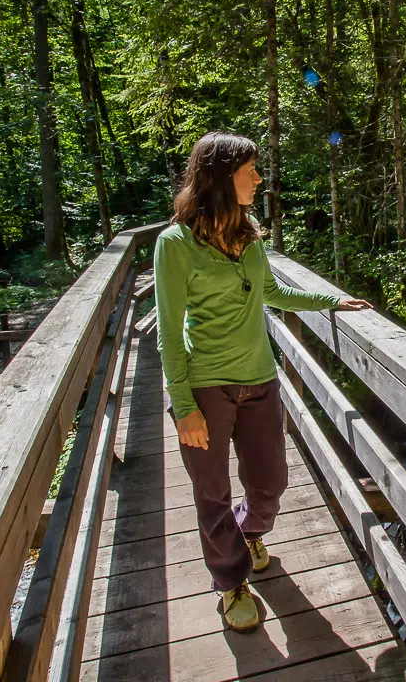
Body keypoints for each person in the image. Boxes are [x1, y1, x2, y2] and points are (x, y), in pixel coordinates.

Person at [153, 132, 371, 632]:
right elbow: (167, 333)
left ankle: (248, 529)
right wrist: (182, 404)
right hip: (206, 385)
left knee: (270, 483)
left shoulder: (249, 234)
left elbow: (272, 291)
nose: (258, 178)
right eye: (250, 170)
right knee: (211, 491)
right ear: (221, 176)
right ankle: (230, 585)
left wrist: (330, 302)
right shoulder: (176, 244)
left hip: (260, 379)